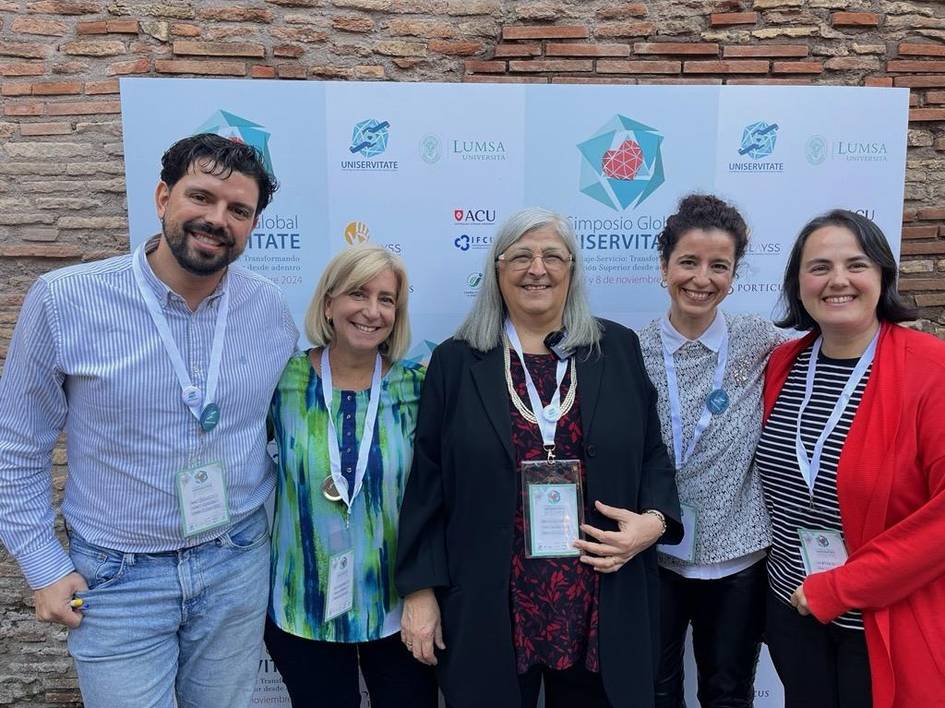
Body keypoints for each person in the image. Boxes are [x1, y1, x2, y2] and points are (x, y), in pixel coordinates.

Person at [0, 133, 298, 707]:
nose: (217, 220)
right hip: (117, 579)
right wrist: (42, 565)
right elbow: (17, 446)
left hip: (234, 562)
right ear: (163, 196)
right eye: (201, 197)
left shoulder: (268, 309)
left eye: (239, 210)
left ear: (254, 224)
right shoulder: (65, 301)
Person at [395, 207, 681, 708]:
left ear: (572, 270)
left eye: (553, 256)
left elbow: (653, 453)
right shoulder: (456, 361)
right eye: (521, 257)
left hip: (600, 592)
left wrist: (654, 523)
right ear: (498, 271)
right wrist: (420, 591)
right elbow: (428, 481)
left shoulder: (616, 348)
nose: (537, 269)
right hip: (492, 596)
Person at [756, 209, 945, 708]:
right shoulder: (784, 362)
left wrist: (843, 587)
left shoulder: (931, 369)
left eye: (856, 264)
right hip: (791, 608)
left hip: (884, 617)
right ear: (798, 284)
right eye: (819, 267)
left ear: (883, 276)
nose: (838, 280)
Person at [265, 244, 436, 708]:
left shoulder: (418, 388)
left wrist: (429, 590)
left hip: (399, 609)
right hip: (304, 602)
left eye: (386, 299)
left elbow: (438, 498)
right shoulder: (281, 382)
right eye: (358, 294)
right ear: (328, 303)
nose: (372, 311)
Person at [638, 194, 785, 707]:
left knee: (728, 692)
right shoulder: (631, 352)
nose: (702, 278)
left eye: (719, 266)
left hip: (739, 557)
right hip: (655, 557)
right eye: (688, 262)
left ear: (734, 273)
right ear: (663, 267)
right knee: (656, 692)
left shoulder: (758, 339)